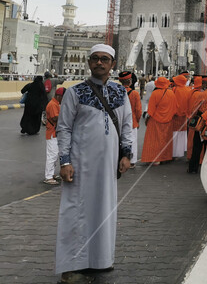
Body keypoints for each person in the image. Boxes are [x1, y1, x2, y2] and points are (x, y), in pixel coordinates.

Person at [56, 44, 133, 284]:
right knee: (75, 212)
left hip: (108, 167)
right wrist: (65, 161)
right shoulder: (75, 92)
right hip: (80, 166)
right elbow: (64, 128)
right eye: (95, 59)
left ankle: (100, 260)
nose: (99, 63)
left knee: (104, 211)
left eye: (105, 59)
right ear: (89, 63)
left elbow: (127, 126)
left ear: (112, 64)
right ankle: (70, 265)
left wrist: (126, 155)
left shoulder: (120, 93)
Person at [140, 77, 177, 165]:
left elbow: (151, 109)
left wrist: (148, 118)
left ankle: (154, 158)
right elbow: (175, 108)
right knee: (165, 139)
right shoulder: (171, 93)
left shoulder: (155, 93)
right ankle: (164, 157)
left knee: (153, 140)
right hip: (168, 120)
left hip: (155, 120)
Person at [118, 71, 142, 166]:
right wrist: (138, 121)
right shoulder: (134, 93)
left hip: (119, 121)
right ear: (130, 81)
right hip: (132, 122)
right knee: (132, 141)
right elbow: (138, 110)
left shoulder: (117, 91)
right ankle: (131, 162)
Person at [44, 87, 65, 185]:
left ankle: (51, 174)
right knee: (52, 155)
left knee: (55, 155)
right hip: (52, 133)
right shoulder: (53, 105)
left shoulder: (56, 104)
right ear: (59, 96)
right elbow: (55, 118)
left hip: (55, 133)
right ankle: (48, 177)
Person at [171, 74, 190, 159]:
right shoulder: (188, 89)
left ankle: (174, 153)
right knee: (182, 133)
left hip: (176, 115)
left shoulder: (175, 89)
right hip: (184, 115)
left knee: (175, 134)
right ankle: (180, 151)